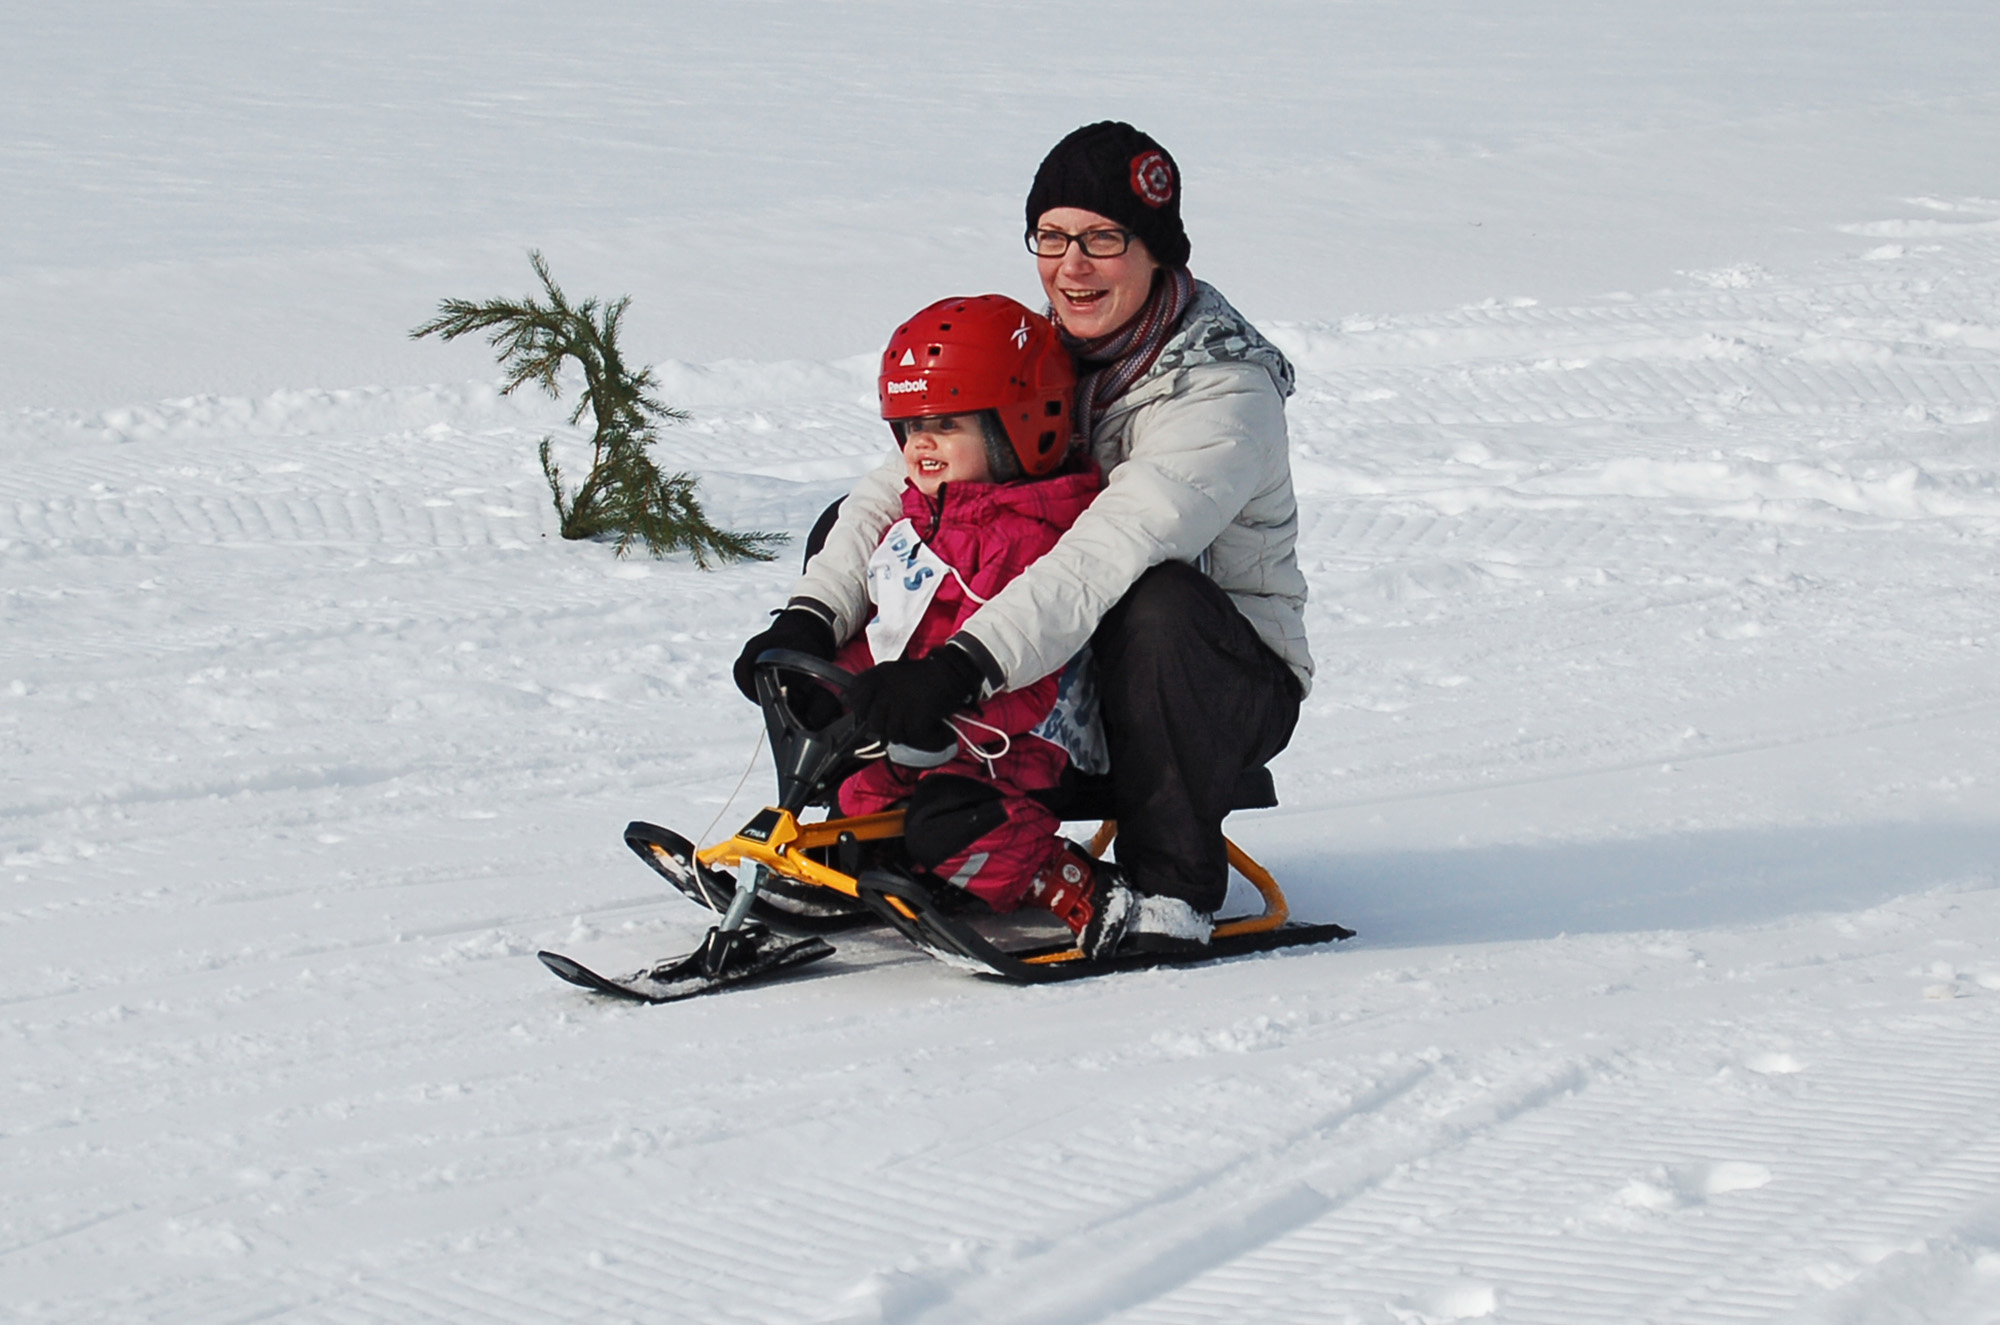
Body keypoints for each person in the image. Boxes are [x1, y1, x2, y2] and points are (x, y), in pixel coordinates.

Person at [748, 121, 1311, 959]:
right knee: (871, 531)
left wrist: (957, 668)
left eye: (1102, 239)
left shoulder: (1221, 395)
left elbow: (1103, 556)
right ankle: (878, 822)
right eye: (1051, 237)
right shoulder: (1037, 348)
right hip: (1053, 666)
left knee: (1153, 602)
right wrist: (807, 618)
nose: (1072, 266)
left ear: (1155, 250)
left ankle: (1171, 889)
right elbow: (893, 490)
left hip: (1203, 681)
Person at [734, 294, 1130, 952]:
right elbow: (891, 631)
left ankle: (1064, 878)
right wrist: (827, 681)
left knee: (945, 822)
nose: (920, 444)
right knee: (859, 807)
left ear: (1019, 426)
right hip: (916, 742)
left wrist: (939, 715)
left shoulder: (1034, 540)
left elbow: (1035, 683)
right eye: (909, 426)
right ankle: (891, 875)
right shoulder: (921, 519)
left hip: (1006, 754)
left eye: (946, 424)